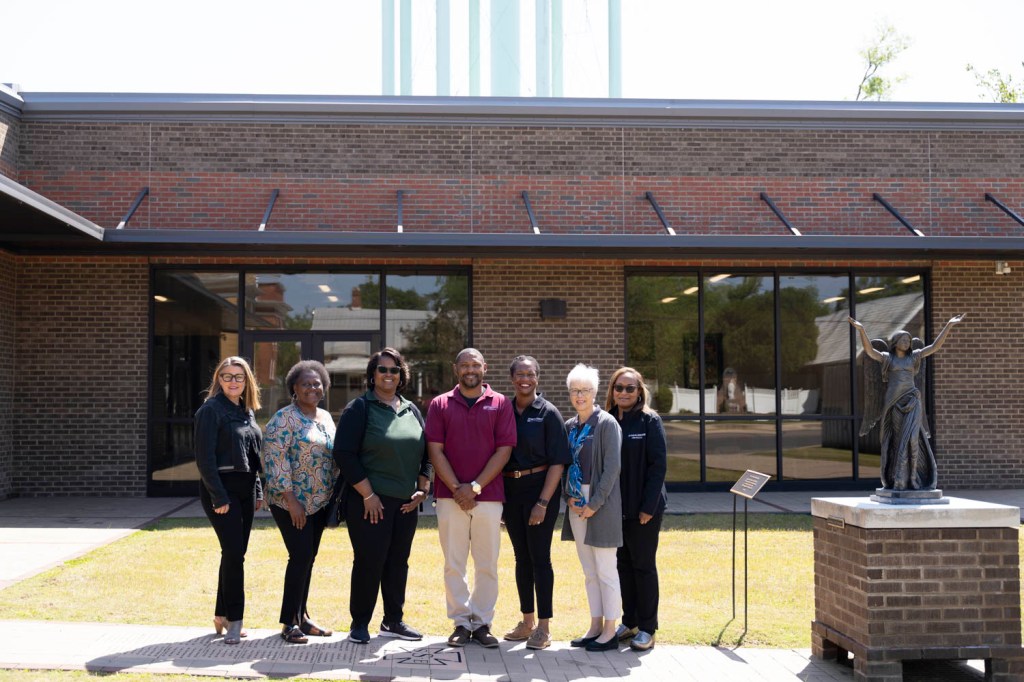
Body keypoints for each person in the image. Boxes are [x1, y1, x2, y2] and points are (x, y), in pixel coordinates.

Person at [334, 348, 432, 645]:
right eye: (382, 369)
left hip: (406, 503)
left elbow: (426, 454)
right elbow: (344, 454)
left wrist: (423, 488)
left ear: (402, 375)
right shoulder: (359, 408)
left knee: (398, 562)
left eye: (394, 370)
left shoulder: (411, 409)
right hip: (369, 503)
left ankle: (393, 621)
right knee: (369, 562)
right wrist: (367, 494)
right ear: (372, 374)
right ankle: (359, 623)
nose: (388, 375)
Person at [426, 348, 517, 649]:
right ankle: (461, 623)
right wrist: (457, 488)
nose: (470, 370)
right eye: (464, 365)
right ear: (456, 370)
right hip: (450, 497)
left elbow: (504, 450)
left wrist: (474, 487)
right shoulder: (440, 404)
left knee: (487, 563)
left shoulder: (500, 403)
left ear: (484, 368)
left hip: (488, 497)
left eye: (475, 365)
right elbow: (435, 450)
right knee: (454, 563)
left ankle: (482, 623)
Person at [262, 360, 337, 644]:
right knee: (301, 556)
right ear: (294, 387)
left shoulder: (326, 418)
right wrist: (291, 499)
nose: (313, 387)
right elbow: (274, 460)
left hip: (320, 502)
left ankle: (302, 617)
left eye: (317, 383)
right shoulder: (283, 419)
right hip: (291, 502)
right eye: (306, 383)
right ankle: (288, 622)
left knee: (309, 558)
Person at [501, 356, 571, 650]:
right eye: (520, 374)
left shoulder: (548, 413)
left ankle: (544, 627)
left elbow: (558, 462)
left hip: (540, 489)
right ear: (512, 378)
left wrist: (543, 502)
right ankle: (527, 621)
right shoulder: (504, 409)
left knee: (540, 557)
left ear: (537, 378)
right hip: (511, 490)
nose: (524, 379)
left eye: (530, 374)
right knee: (521, 557)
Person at [849, 314, 965, 491]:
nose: (906, 342)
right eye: (903, 339)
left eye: (908, 340)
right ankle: (899, 479)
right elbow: (870, 351)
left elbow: (935, 347)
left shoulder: (915, 356)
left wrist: (948, 325)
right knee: (898, 440)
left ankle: (913, 477)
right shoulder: (888, 358)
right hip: (894, 402)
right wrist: (861, 330)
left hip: (912, 399)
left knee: (912, 439)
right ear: (895, 342)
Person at [194, 356, 263, 645]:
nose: (233, 381)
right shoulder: (210, 411)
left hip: (245, 489)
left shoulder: (247, 411)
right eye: (227, 376)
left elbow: (251, 453)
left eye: (239, 376)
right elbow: (205, 458)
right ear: (218, 380)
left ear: (247, 381)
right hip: (221, 490)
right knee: (235, 554)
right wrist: (218, 496)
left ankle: (221, 614)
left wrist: (257, 489)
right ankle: (236, 619)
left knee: (234, 553)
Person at [561, 363, 623, 653]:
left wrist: (594, 504)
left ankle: (611, 630)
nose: (579, 396)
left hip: (602, 502)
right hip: (576, 502)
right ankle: (595, 625)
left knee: (606, 569)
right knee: (589, 571)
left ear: (595, 392)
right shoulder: (570, 426)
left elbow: (612, 469)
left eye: (585, 390)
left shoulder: (607, 423)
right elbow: (563, 466)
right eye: (575, 391)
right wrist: (568, 496)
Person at [605, 367, 668, 652]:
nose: (624, 393)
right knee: (622, 566)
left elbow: (658, 467)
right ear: (612, 390)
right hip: (614, 509)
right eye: (619, 388)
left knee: (643, 567)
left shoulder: (649, 421)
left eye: (630, 388)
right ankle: (629, 622)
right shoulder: (606, 420)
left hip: (643, 509)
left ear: (640, 391)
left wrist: (647, 507)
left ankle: (647, 628)